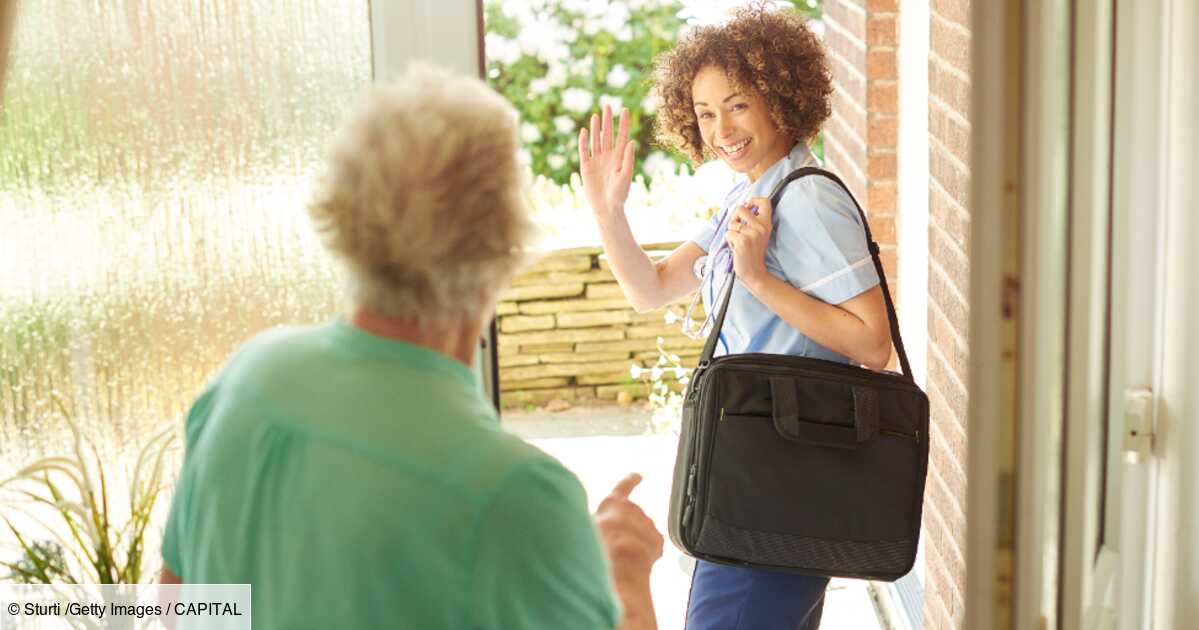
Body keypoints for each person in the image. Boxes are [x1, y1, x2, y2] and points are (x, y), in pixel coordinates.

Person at [158, 63, 663, 630]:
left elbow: (176, 609)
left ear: (342, 215)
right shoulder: (516, 496)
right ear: (505, 242)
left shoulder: (246, 379)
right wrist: (623, 571)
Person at [577, 6, 892, 629]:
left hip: (780, 475)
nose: (721, 128)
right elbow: (653, 287)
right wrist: (609, 213)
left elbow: (872, 342)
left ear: (780, 96)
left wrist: (758, 280)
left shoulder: (807, 198)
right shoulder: (750, 193)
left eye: (737, 104)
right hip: (753, 465)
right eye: (704, 113)